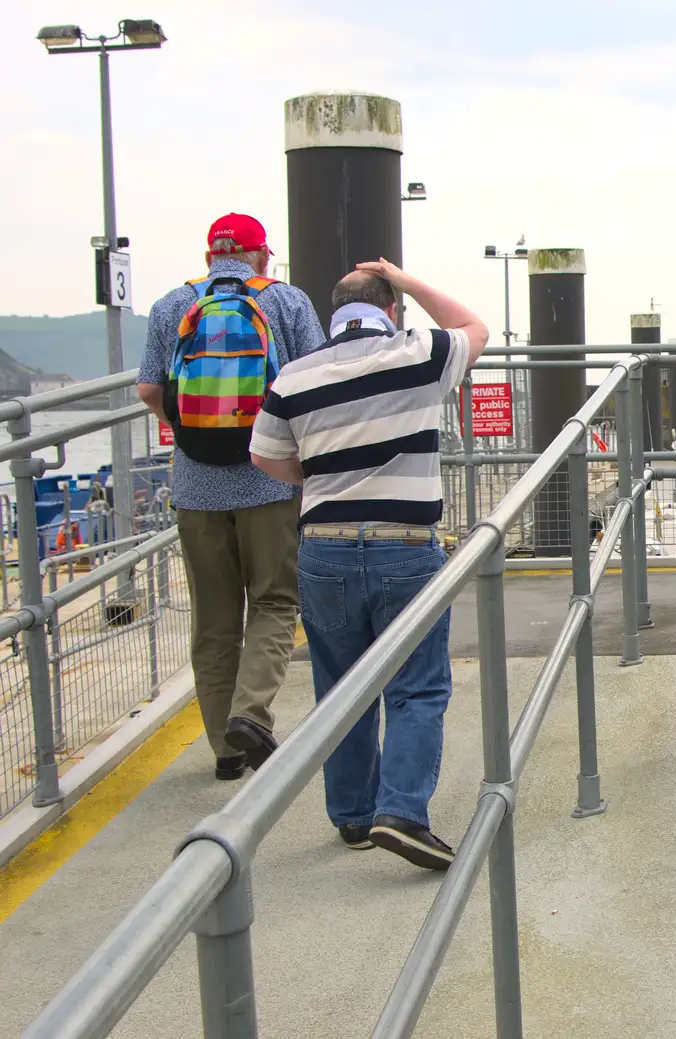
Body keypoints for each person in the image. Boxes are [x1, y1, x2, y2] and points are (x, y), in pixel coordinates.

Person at [249, 259, 488, 870]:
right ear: (391, 311)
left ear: (333, 312)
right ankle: (403, 812)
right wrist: (407, 281)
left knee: (341, 688)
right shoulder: (419, 352)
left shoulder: (295, 376)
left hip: (323, 547)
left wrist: (326, 480)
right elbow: (475, 328)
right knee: (417, 686)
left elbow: (266, 457)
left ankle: (354, 816)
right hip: (404, 544)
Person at [136, 214, 324, 781]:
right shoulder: (286, 302)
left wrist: (193, 431)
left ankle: (224, 750)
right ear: (262, 255)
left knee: (215, 619)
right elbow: (313, 381)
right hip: (270, 479)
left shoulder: (173, 306)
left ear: (209, 254)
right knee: (274, 601)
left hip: (195, 486)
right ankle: (251, 713)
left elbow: (149, 386)